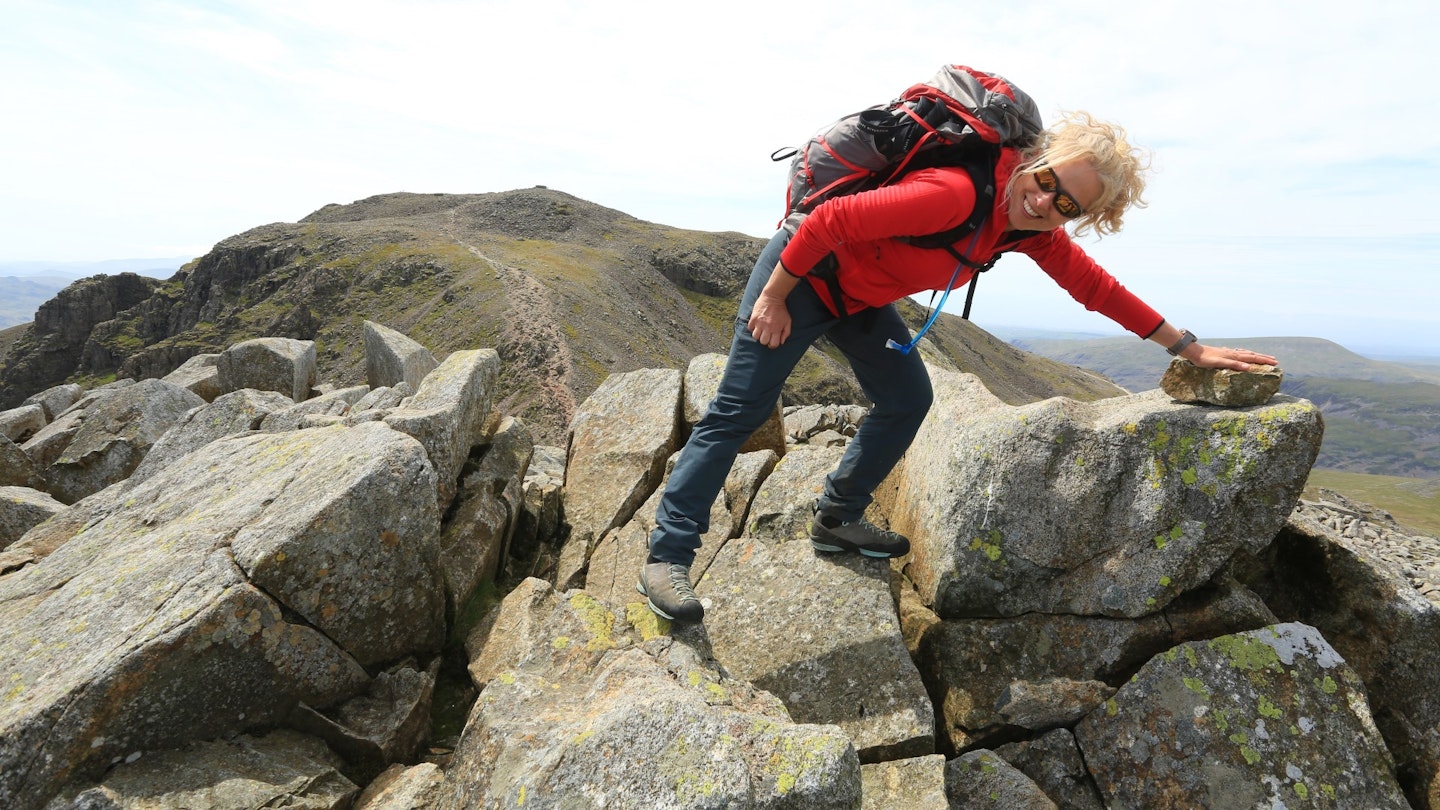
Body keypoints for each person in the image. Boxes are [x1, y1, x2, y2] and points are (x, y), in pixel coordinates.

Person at [637, 109, 1278, 624]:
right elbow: (829, 220)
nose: (1046, 201)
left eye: (1068, 206)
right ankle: (667, 556)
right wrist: (775, 298)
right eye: (1048, 179)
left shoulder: (1026, 231)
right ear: (1036, 159)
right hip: (804, 274)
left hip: (860, 297)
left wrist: (1186, 348)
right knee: (739, 409)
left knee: (907, 400)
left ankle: (837, 518)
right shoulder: (955, 193)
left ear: (1081, 218)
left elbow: (1095, 289)